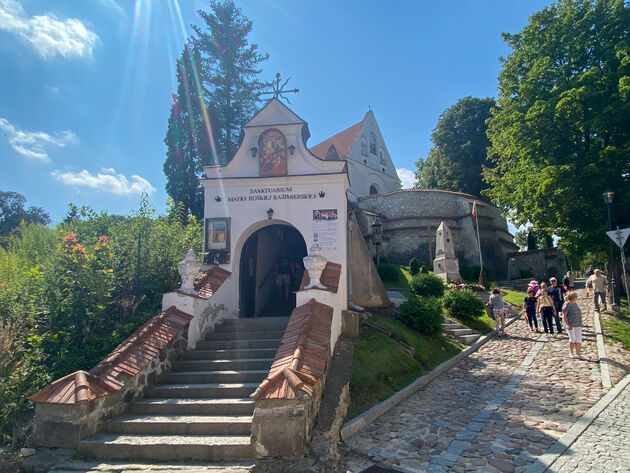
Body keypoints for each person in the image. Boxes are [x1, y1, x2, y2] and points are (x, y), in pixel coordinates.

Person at [562, 291, 583, 359]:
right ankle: (571, 352)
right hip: (570, 324)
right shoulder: (566, 305)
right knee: (573, 338)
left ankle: (578, 353)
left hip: (577, 324)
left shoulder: (575, 304)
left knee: (579, 339)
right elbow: (564, 316)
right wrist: (567, 324)